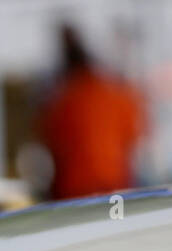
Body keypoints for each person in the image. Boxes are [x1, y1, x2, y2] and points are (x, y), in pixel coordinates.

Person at [35, 25, 146, 200]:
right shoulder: (116, 94)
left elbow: (50, 142)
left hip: (74, 190)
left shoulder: (61, 101)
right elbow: (134, 134)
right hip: (116, 184)